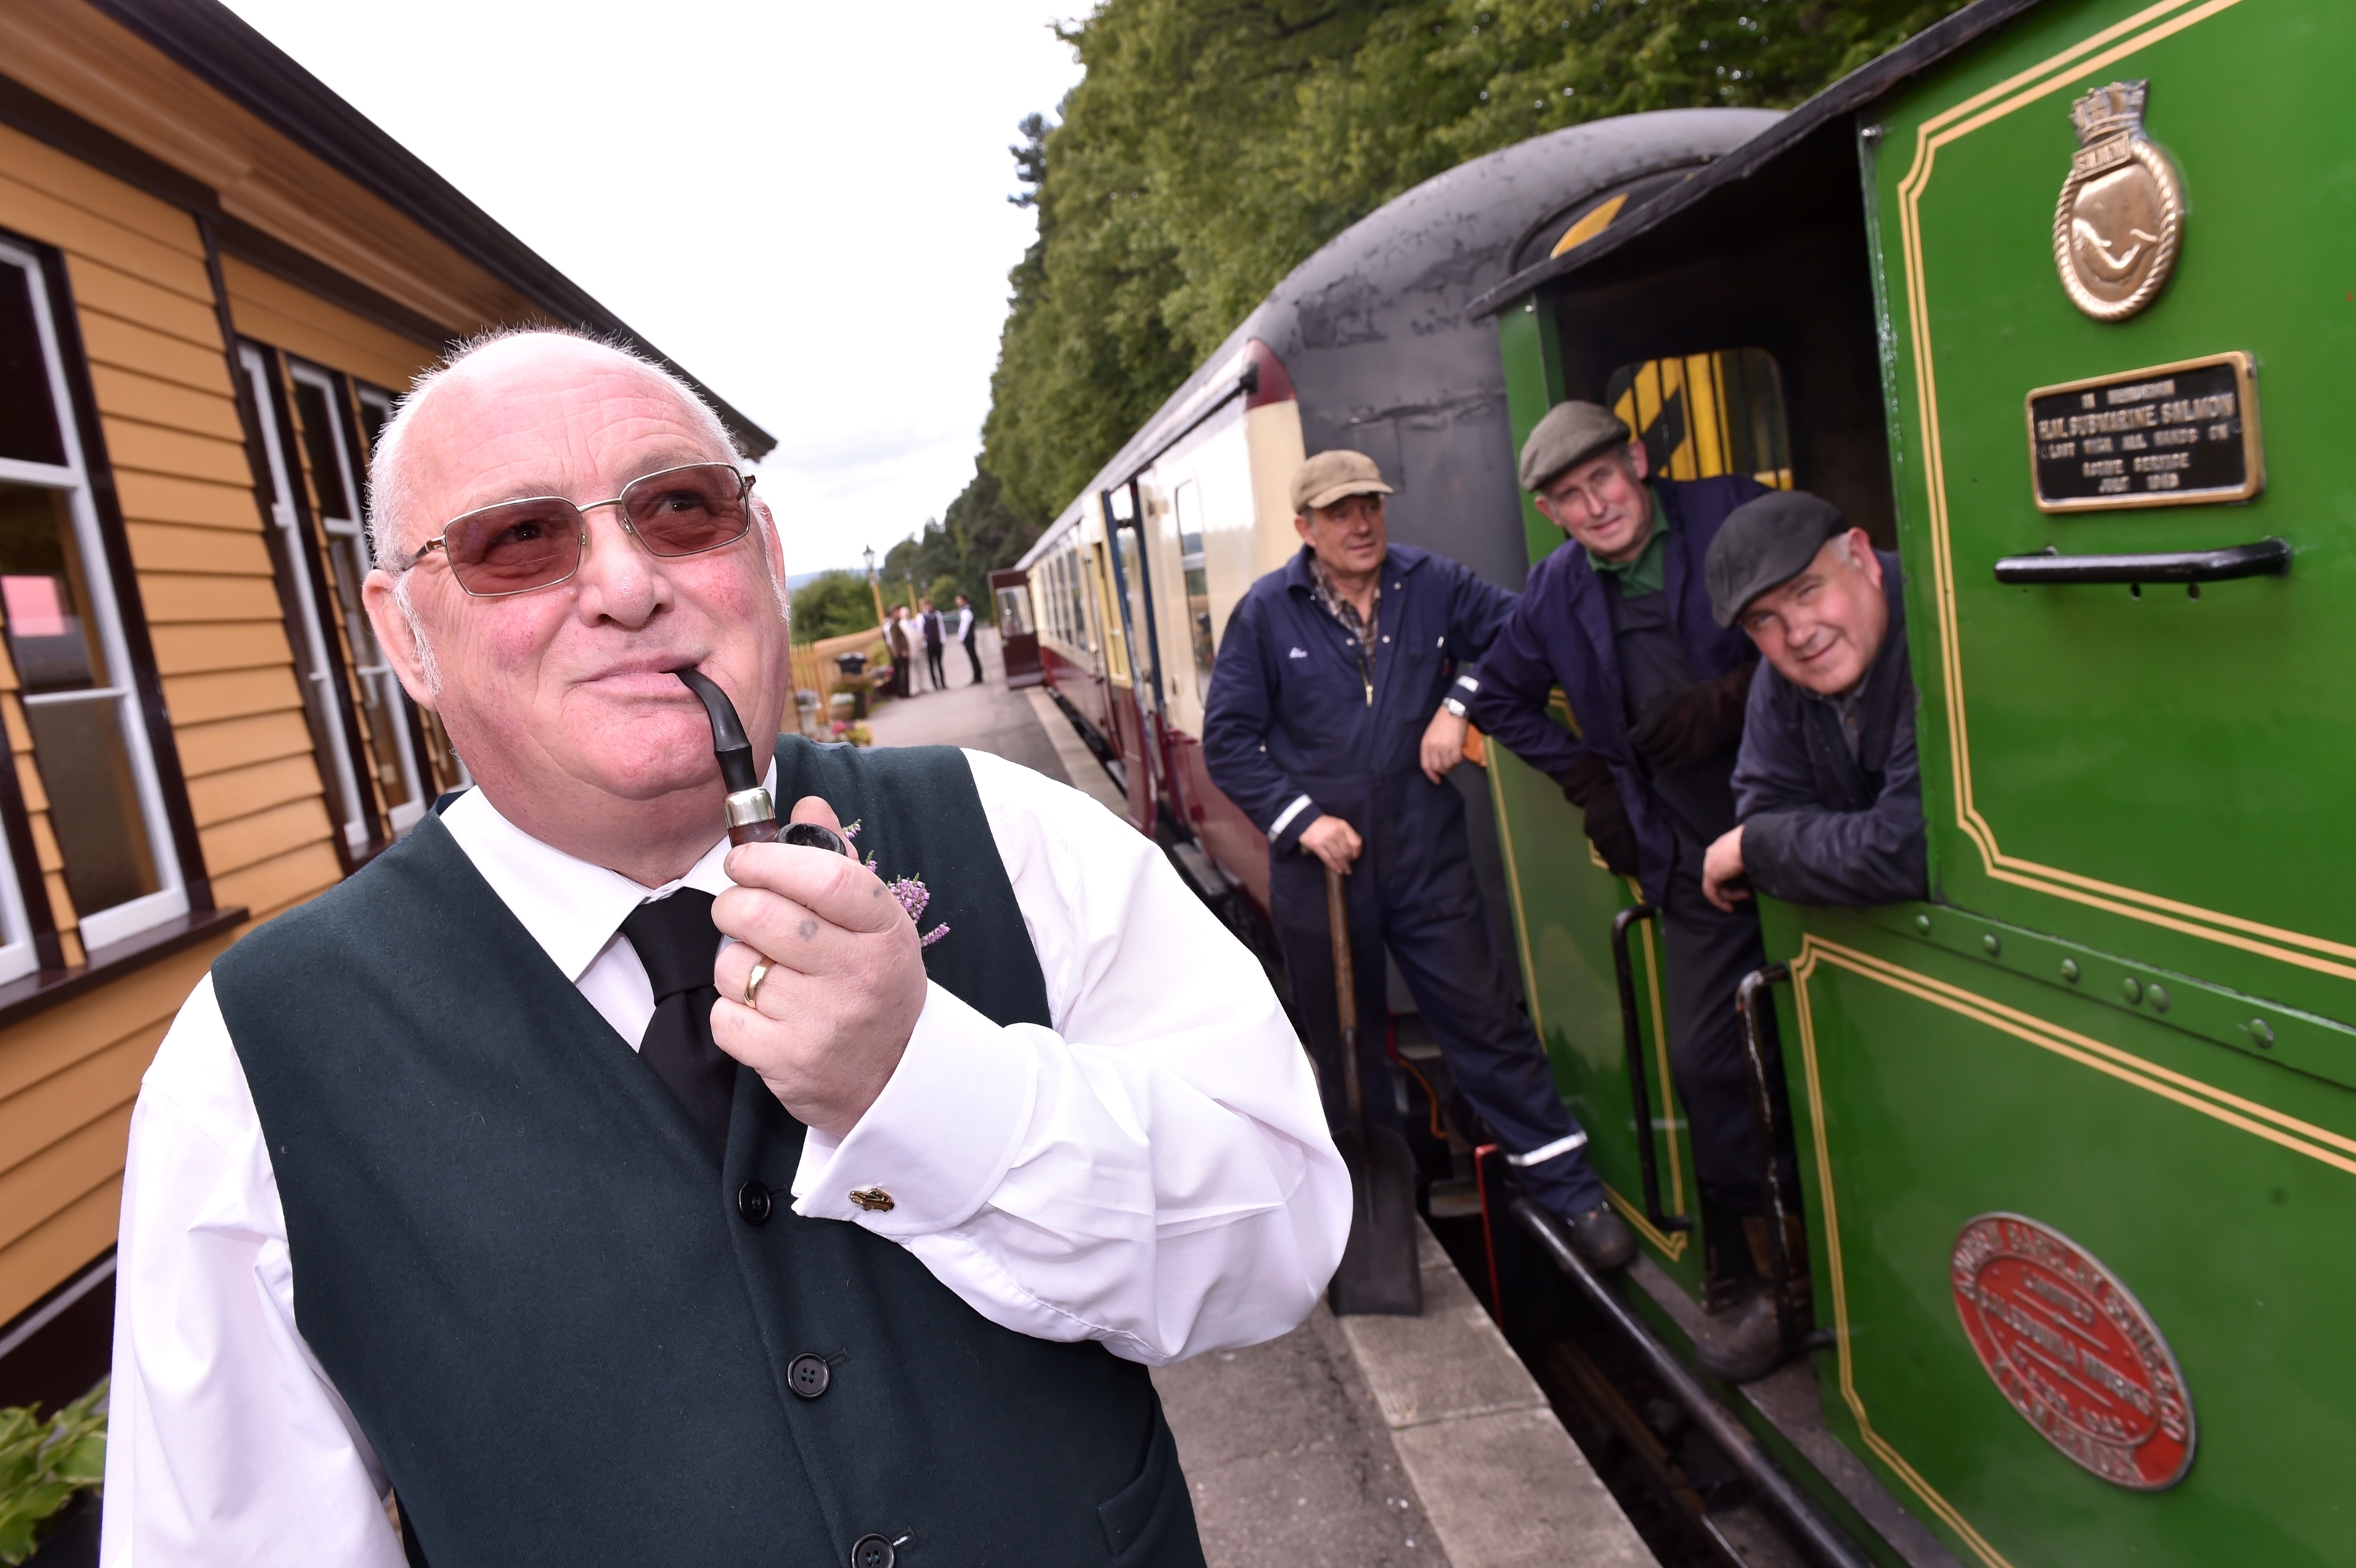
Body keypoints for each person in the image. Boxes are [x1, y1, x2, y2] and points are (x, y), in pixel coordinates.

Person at [102, 330, 1347, 1567]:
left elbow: (1280, 1243)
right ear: (406, 634)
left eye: (681, 509)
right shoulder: (252, 1067)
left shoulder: (1009, 831)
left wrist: (921, 1085)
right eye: (519, 540)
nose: (626, 584)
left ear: (764, 552)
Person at [1202, 448, 1633, 1270]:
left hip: (1425, 857)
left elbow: (1522, 628)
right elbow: (1227, 738)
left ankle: (1567, 1190)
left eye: (1368, 504)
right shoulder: (1266, 612)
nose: (1359, 523)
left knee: (1483, 1023)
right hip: (1323, 875)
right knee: (1342, 1047)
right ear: (1305, 529)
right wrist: (1302, 820)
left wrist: (1458, 704)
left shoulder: (1430, 582)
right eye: (1338, 512)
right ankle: (1358, 1217)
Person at [1466, 401, 1798, 1379]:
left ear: (1638, 463)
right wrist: (1587, 779)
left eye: (1603, 479)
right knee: (1707, 1064)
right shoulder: (1557, 592)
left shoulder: (1735, 512)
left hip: (1799, 816)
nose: (1595, 504)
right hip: (1690, 855)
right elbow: (1496, 698)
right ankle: (1777, 1279)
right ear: (1551, 513)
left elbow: (1834, 604)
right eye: (1569, 497)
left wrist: (1735, 697)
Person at [1700, 490, 1926, 911]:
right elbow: (1766, 806)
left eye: (1806, 590)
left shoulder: (1940, 634)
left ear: (1860, 555)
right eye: (1763, 619)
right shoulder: (1784, 672)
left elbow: (1911, 848)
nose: (1798, 634)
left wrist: (1753, 847)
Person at [886, 603, 913, 698]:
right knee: (903, 672)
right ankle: (904, 692)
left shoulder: (897, 623)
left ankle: (905, 691)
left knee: (904, 672)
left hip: (901, 651)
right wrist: (901, 651)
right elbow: (895, 640)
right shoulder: (893, 625)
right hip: (900, 652)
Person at [920, 597, 947, 691]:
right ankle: (935, 684)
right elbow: (921, 631)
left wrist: (943, 639)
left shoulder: (937, 614)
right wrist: (923, 644)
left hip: (937, 641)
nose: (928, 607)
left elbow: (941, 627)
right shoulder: (921, 617)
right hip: (929, 643)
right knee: (931, 664)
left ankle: (943, 682)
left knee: (939, 663)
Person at [955, 592, 982, 685]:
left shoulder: (966, 611)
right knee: (973, 656)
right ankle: (977, 675)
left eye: (959, 600)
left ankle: (977, 676)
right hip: (969, 635)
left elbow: (964, 626)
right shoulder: (964, 610)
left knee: (972, 656)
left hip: (968, 636)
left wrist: (961, 637)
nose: (958, 602)